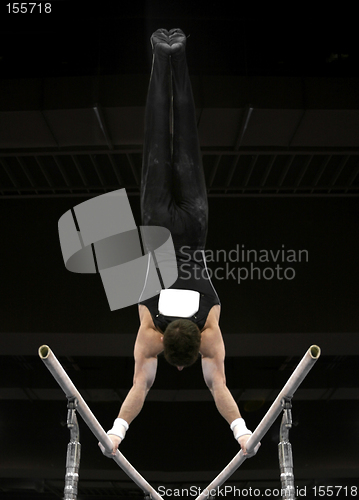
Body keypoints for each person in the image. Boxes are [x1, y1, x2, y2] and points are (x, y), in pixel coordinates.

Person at [104, 29, 259, 458]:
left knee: (186, 136)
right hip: (155, 221)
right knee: (157, 136)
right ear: (168, 342)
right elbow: (141, 386)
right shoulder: (149, 330)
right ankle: (160, 52)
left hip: (195, 223)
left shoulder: (210, 328)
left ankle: (177, 52)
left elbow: (219, 388)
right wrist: (115, 433)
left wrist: (242, 432)